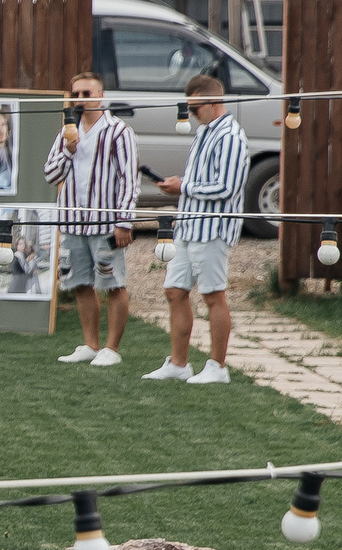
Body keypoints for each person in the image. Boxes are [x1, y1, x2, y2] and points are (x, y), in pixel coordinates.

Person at [150, 74, 244, 385]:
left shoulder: (230, 135)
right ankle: (178, 364)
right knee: (174, 291)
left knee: (213, 295)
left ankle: (218, 367)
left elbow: (227, 187)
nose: (191, 114)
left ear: (214, 102)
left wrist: (184, 186)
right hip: (189, 225)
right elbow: (201, 180)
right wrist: (180, 187)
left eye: (195, 108)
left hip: (213, 227)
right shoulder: (205, 132)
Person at [43, 71, 137, 366]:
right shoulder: (66, 132)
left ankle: (112, 348)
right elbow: (50, 175)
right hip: (72, 220)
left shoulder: (118, 131)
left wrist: (124, 221)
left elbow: (129, 180)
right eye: (76, 94)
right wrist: (68, 152)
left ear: (100, 96)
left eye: (87, 93)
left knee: (112, 283)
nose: (81, 99)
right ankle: (90, 344)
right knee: (80, 283)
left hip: (106, 222)